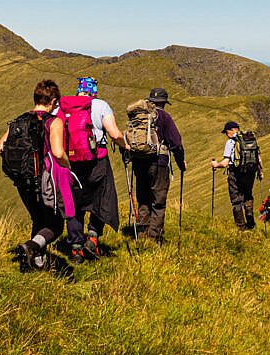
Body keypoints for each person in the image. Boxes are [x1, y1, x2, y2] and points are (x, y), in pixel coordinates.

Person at [0, 80, 73, 271]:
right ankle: (30, 247)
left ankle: (33, 262)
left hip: (21, 180)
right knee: (55, 225)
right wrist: (68, 165)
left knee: (38, 219)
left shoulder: (18, 121)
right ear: (53, 101)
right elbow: (57, 152)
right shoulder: (53, 121)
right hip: (43, 181)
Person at [58, 76, 129, 264]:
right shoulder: (100, 105)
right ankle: (92, 237)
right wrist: (125, 146)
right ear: (94, 90)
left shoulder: (63, 106)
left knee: (75, 204)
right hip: (97, 161)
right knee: (102, 197)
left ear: (78, 89)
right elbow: (113, 133)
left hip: (70, 162)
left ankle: (75, 250)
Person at [128, 87, 186, 243]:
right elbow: (176, 143)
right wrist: (181, 163)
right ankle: (154, 237)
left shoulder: (140, 116)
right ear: (164, 103)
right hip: (158, 163)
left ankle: (141, 233)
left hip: (139, 162)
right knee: (158, 201)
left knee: (143, 198)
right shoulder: (165, 117)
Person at [210, 121, 261, 230]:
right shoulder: (250, 138)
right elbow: (258, 157)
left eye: (226, 132)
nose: (226, 135)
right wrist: (260, 172)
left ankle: (241, 227)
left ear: (230, 131)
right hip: (250, 173)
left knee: (236, 199)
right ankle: (250, 220)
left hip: (236, 173)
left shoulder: (231, 142)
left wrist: (216, 164)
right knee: (248, 195)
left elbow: (225, 163)